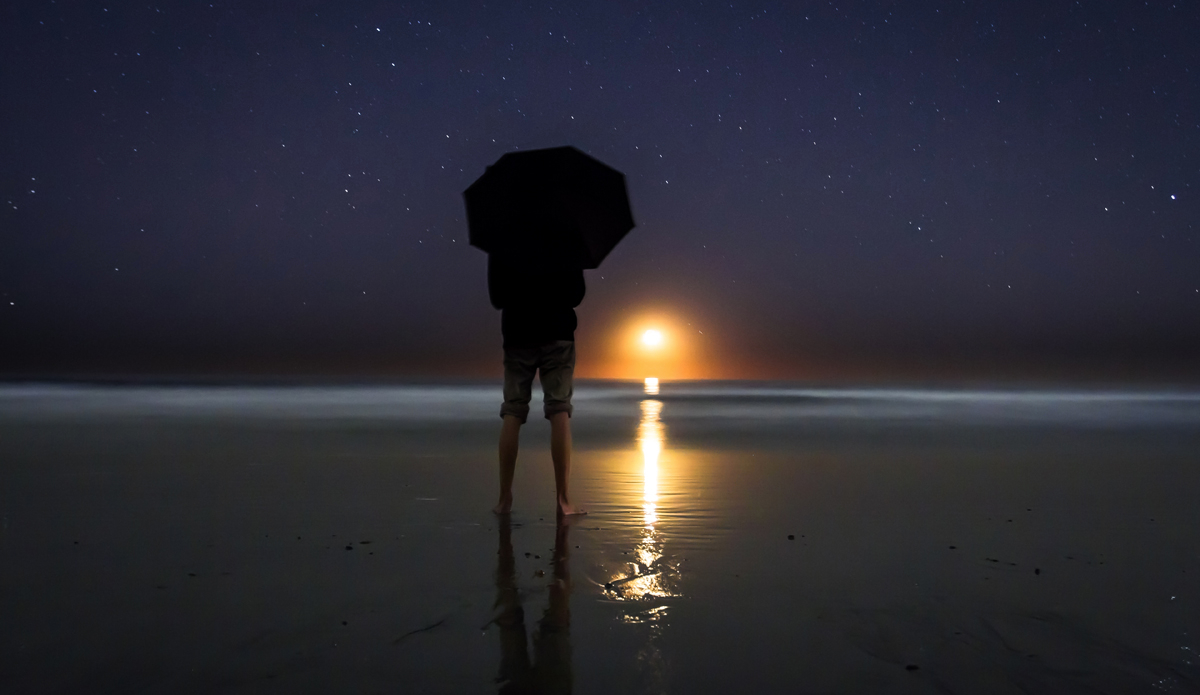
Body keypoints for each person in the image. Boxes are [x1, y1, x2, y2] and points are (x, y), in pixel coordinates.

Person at [488, 254, 586, 517]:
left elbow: (497, 298)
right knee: (559, 409)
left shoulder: (503, 242)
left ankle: (504, 499)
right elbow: (576, 295)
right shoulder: (566, 240)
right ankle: (563, 500)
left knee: (513, 409)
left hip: (517, 333)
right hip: (558, 333)